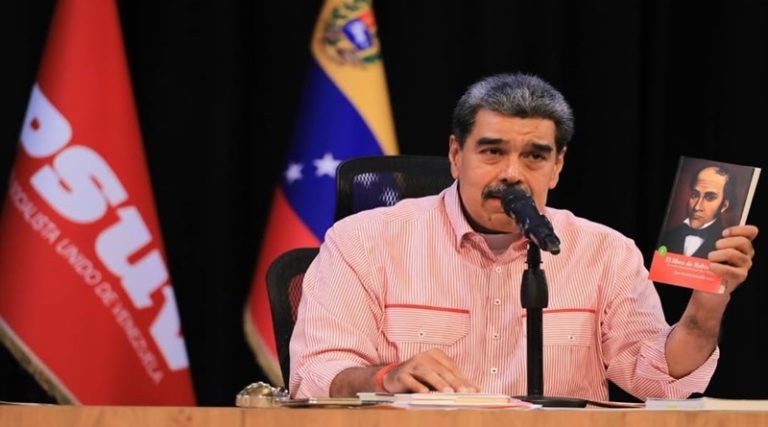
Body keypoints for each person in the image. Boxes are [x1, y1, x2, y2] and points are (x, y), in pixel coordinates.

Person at [288, 73, 759, 401]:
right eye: (492, 152)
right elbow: (315, 376)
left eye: (534, 156)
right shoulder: (364, 241)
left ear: (557, 166)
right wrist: (386, 377)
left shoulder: (605, 252)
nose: (512, 173)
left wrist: (706, 307)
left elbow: (657, 381)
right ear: (455, 155)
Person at [659, 165, 734, 258]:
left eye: (710, 198)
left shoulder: (729, 246)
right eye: (694, 195)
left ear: (724, 205)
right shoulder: (667, 237)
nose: (697, 207)